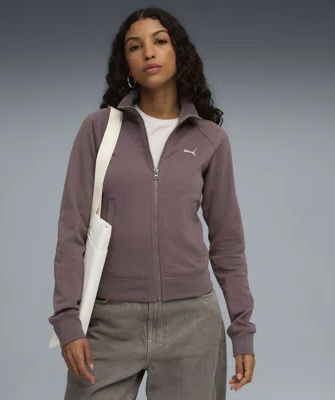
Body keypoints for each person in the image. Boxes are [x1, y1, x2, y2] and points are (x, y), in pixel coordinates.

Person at [48, 6, 256, 399]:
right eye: (135, 46)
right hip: (109, 320)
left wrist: (241, 329)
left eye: (160, 41)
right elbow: (72, 230)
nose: (148, 52)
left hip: (192, 322)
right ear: (125, 62)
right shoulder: (98, 129)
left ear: (179, 53)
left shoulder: (210, 139)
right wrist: (67, 320)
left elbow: (228, 242)